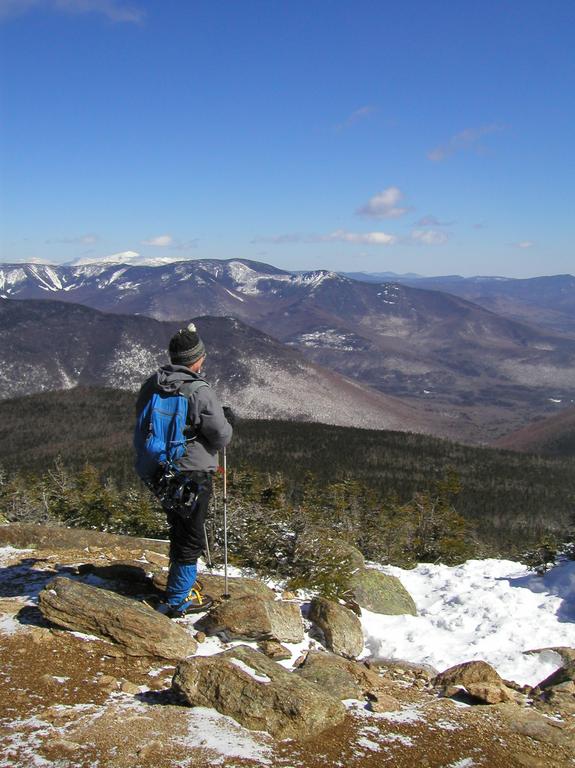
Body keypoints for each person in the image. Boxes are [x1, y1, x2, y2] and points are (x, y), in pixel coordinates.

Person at [135, 322, 233, 618]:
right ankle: (179, 598)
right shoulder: (199, 390)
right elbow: (221, 436)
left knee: (179, 526)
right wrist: (228, 420)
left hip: (160, 469)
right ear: (197, 359)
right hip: (193, 473)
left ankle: (181, 582)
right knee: (190, 534)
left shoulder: (152, 384)